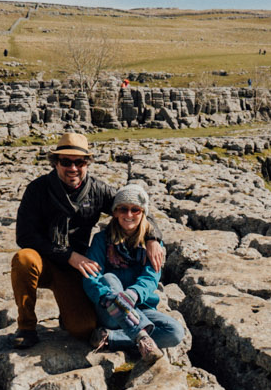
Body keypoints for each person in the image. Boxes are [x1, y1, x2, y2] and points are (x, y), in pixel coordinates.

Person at [11, 132, 164, 349]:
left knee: (83, 328)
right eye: (66, 162)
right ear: (55, 162)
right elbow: (24, 235)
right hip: (44, 261)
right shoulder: (37, 189)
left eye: (79, 162)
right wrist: (69, 255)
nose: (73, 168)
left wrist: (152, 238)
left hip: (75, 271)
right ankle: (26, 327)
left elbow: (132, 206)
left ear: (87, 164)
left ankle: (68, 315)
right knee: (23, 259)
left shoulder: (97, 190)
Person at [84, 184, 187, 361]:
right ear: (115, 212)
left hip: (140, 307)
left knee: (175, 333)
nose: (129, 215)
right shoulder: (101, 240)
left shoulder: (153, 245)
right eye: (123, 209)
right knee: (109, 278)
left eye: (135, 210)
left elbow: (151, 277)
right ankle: (142, 338)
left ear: (143, 213)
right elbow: (92, 276)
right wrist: (111, 299)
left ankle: (111, 337)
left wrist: (132, 295)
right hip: (109, 310)